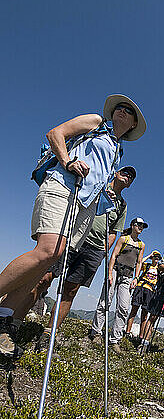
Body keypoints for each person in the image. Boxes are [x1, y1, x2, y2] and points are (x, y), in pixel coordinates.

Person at [0, 94, 146, 358]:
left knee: (48, 260)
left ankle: (3, 318)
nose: (122, 111)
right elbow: (56, 133)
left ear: (134, 124)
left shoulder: (117, 151)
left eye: (129, 111)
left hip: (85, 205)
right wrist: (68, 161)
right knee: (48, 251)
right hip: (64, 186)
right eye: (120, 108)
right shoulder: (96, 122)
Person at [33, 166, 136, 350]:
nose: (127, 176)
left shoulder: (122, 205)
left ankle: (49, 333)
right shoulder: (100, 185)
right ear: (115, 173)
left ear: (130, 184)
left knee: (71, 289)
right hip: (74, 236)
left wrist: (104, 250)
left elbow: (114, 230)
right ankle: (13, 320)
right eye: (125, 172)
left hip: (94, 249)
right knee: (45, 278)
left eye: (131, 177)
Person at [90, 217, 147, 354]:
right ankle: (96, 332)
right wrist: (109, 273)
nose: (140, 227)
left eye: (142, 226)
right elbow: (114, 255)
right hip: (116, 271)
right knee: (105, 302)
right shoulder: (123, 239)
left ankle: (114, 339)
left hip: (128, 276)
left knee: (123, 306)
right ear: (133, 225)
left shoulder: (141, 245)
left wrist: (136, 278)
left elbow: (139, 263)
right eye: (139, 225)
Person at [125, 250, 162, 344]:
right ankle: (127, 332)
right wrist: (149, 255)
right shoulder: (147, 265)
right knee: (134, 310)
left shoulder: (159, 269)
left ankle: (141, 337)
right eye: (155, 257)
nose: (156, 259)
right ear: (152, 258)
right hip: (140, 288)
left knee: (144, 315)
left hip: (150, 291)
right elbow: (139, 261)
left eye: (158, 258)